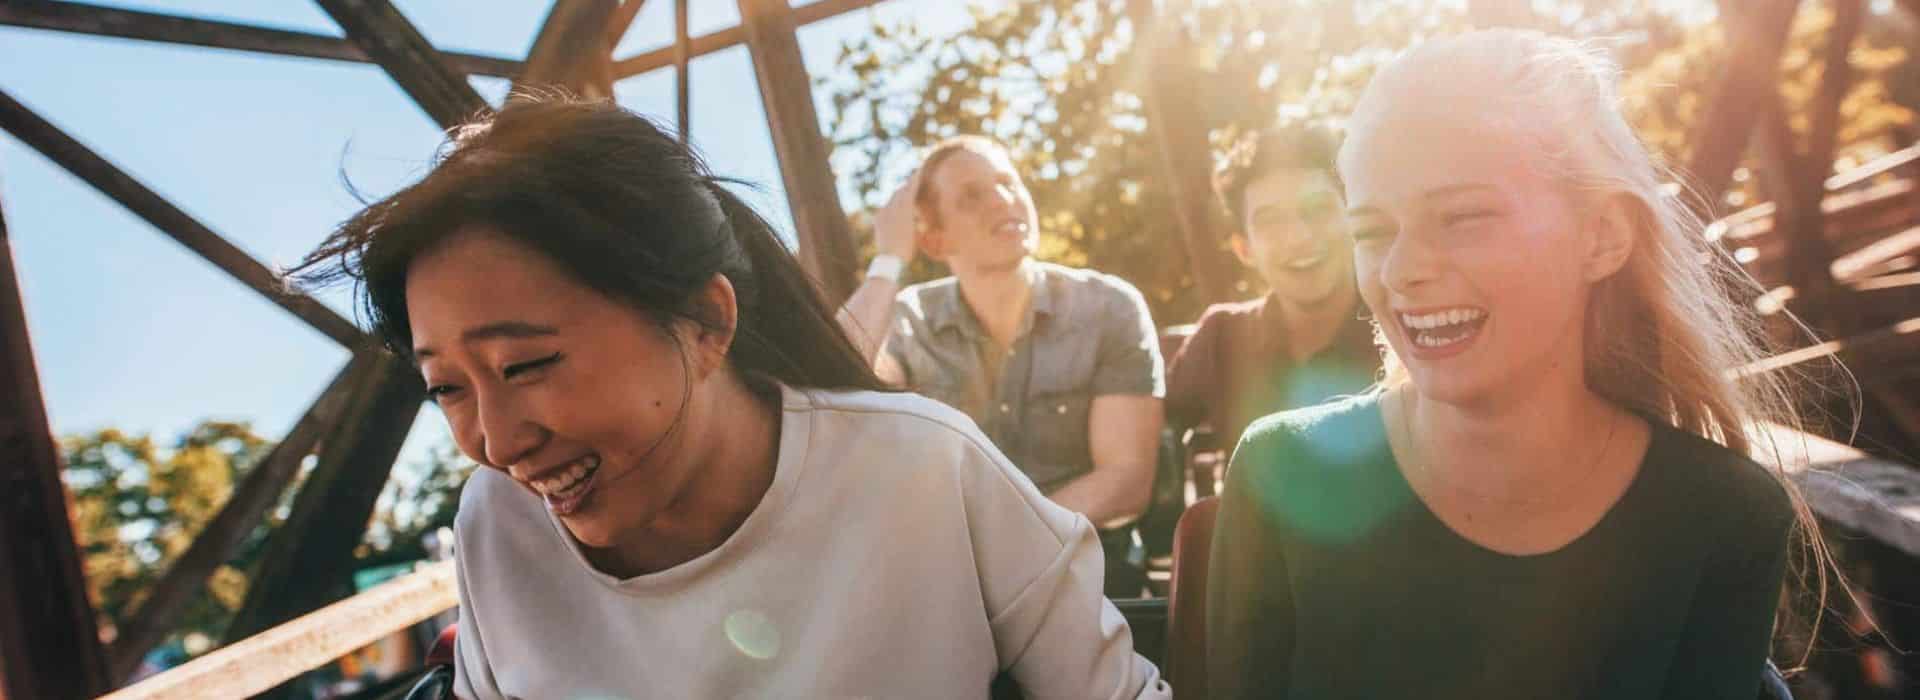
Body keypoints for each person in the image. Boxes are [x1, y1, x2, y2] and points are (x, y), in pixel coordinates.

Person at [290, 99, 1169, 699]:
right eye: (446, 388)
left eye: (524, 365)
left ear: (709, 321)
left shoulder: (925, 470)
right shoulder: (498, 524)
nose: (495, 440)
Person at [1207, 30, 1819, 699]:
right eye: (1372, 232)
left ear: (1604, 236)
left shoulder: (1726, 515)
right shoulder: (1282, 469)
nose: (1403, 271)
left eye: (1463, 217)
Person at [837, 136, 1166, 596]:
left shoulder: (1108, 306)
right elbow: (830, 389)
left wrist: (1005, 545)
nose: (1002, 200)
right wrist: (888, 260)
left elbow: (1126, 477)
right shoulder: (909, 319)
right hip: (951, 584)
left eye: (1008, 183)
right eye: (972, 196)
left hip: (1088, 571)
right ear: (933, 239)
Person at [1165, 124, 1382, 484]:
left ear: (1353, 219)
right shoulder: (1221, 336)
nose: (1299, 238)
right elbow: (1156, 430)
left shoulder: (1402, 325)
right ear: (1244, 249)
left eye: (1317, 210)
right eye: (1270, 222)